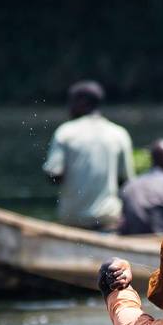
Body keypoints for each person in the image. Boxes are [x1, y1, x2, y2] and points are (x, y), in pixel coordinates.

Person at [42, 80, 135, 230]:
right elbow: (127, 183)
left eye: (71, 102)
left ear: (82, 102)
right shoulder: (119, 133)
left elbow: (54, 175)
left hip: (73, 219)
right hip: (108, 219)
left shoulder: (65, 132)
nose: (69, 108)